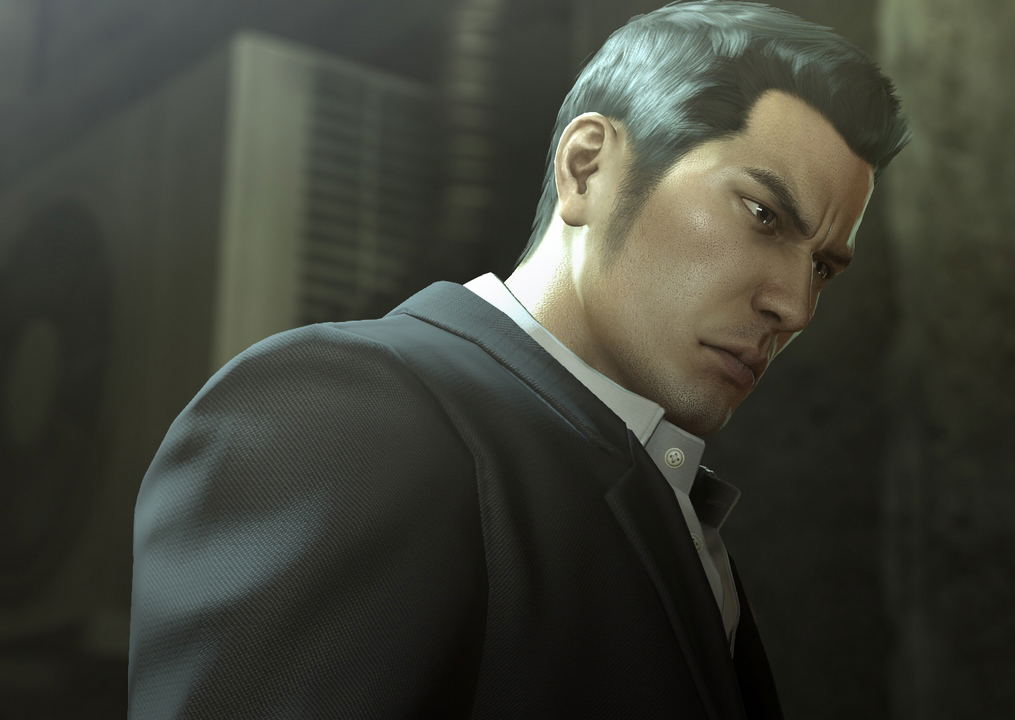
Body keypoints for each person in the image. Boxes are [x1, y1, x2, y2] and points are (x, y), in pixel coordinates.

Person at [127, 1, 909, 717]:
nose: (795, 306)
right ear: (588, 167)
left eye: (823, 266)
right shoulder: (347, 416)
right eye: (763, 215)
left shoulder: (664, 501)